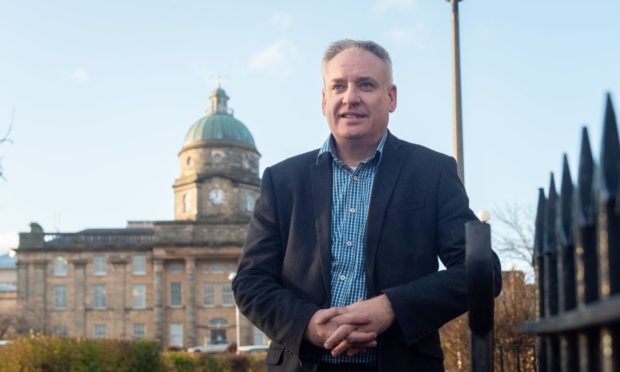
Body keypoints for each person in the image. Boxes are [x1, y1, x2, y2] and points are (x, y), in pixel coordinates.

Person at [232, 39, 502, 372]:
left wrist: (392, 307)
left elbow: (482, 270)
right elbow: (250, 281)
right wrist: (307, 324)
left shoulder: (432, 172)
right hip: (304, 364)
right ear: (324, 100)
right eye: (338, 86)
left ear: (391, 98)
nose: (350, 97)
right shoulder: (282, 180)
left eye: (365, 85)